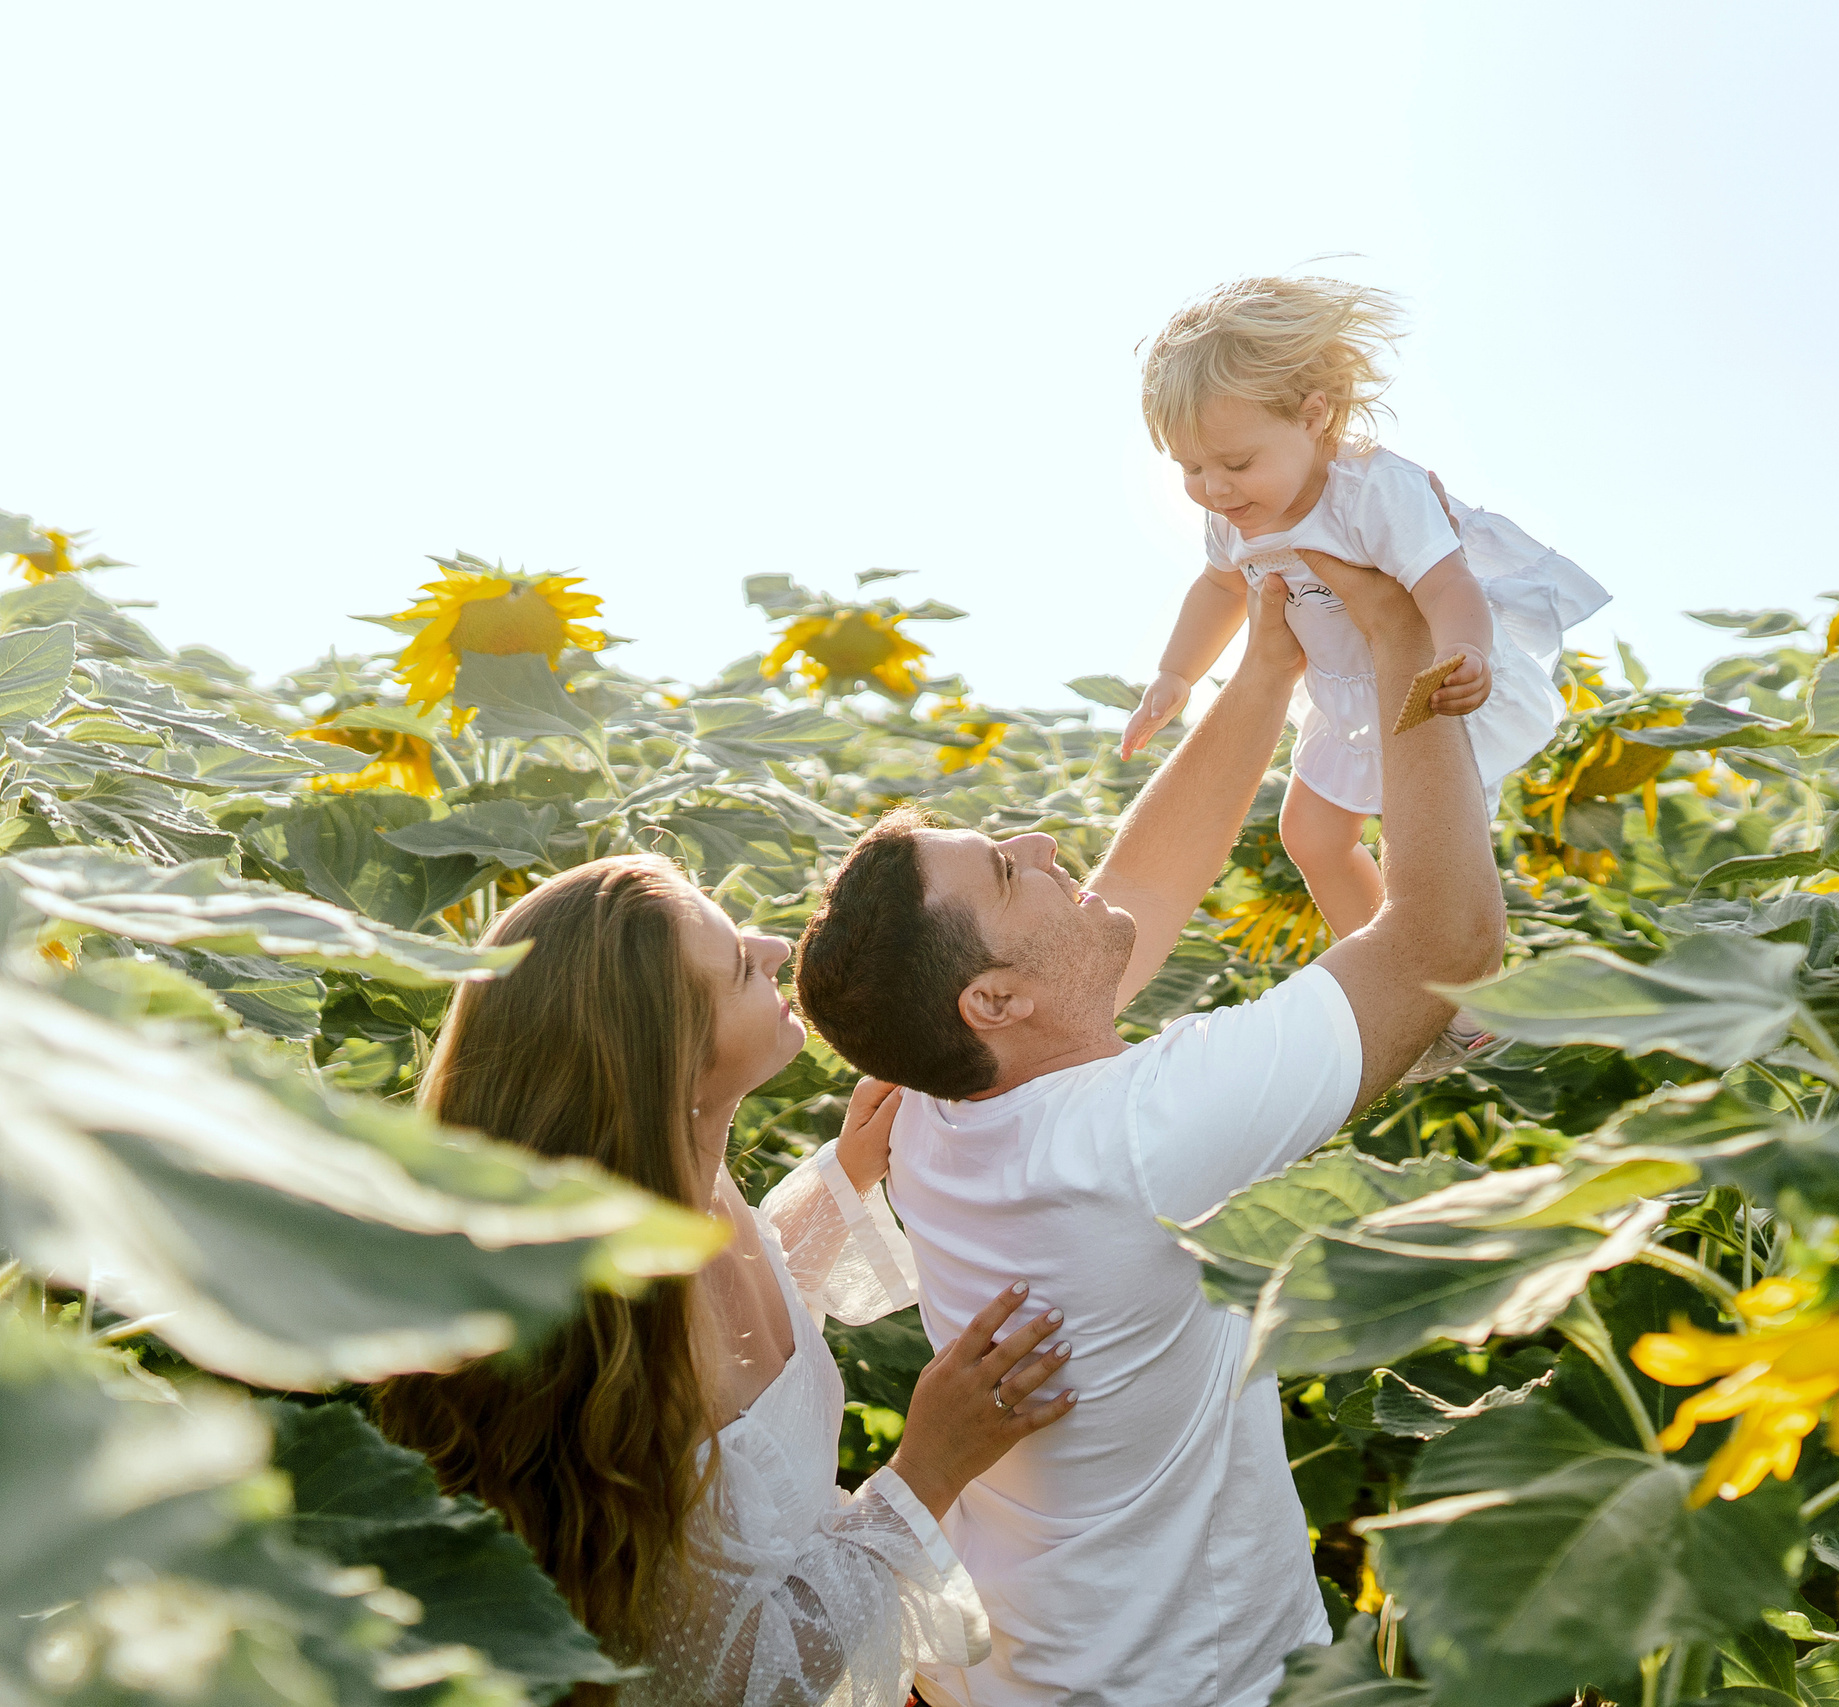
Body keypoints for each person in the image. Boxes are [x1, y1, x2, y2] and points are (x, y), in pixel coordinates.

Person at [792, 565, 1507, 1707]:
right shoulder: (1137, 1138)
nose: (1036, 839)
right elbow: (1447, 938)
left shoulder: (943, 1098)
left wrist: (1266, 663)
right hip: (1187, 1681)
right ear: (992, 1003)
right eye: (1002, 870)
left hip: (1035, 1662)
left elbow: (1138, 887)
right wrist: (1401, 638)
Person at [372, 854, 1077, 1707]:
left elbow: (749, 1355)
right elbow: (728, 1674)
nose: (777, 946)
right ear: (665, 1055)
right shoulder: (598, 1345)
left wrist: (848, 1172)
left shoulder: (690, 1192)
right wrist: (927, 1469)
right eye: (740, 965)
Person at [1122, 274, 1608, 1073]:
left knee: (1431, 844)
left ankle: (1468, 990)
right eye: (1190, 469)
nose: (1213, 490)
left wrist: (1467, 653)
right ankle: (1410, 987)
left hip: (1420, 681)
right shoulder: (1230, 513)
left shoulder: (1374, 491)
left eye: (1235, 462)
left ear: (1313, 416)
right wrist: (1176, 674)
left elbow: (1446, 584)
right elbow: (1218, 587)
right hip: (1342, 699)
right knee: (1309, 834)